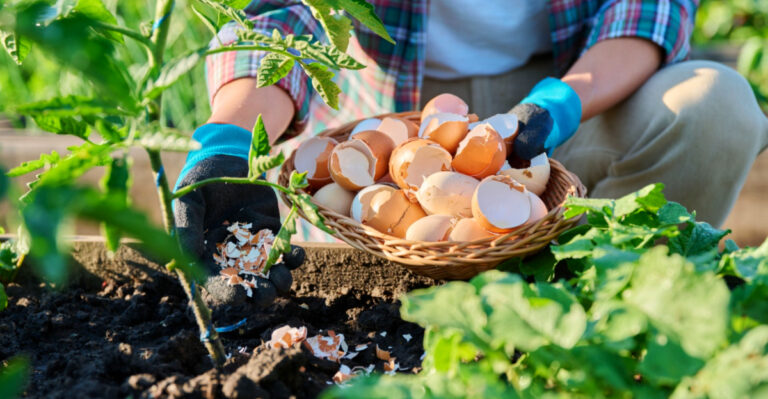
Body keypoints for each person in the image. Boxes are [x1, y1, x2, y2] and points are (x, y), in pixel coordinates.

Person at [174, 0, 768, 304]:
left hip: (573, 91)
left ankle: (608, 314)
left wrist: (559, 104)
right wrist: (230, 138)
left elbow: (648, 7)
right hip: (390, 120)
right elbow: (283, 13)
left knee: (716, 107)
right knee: (374, 262)